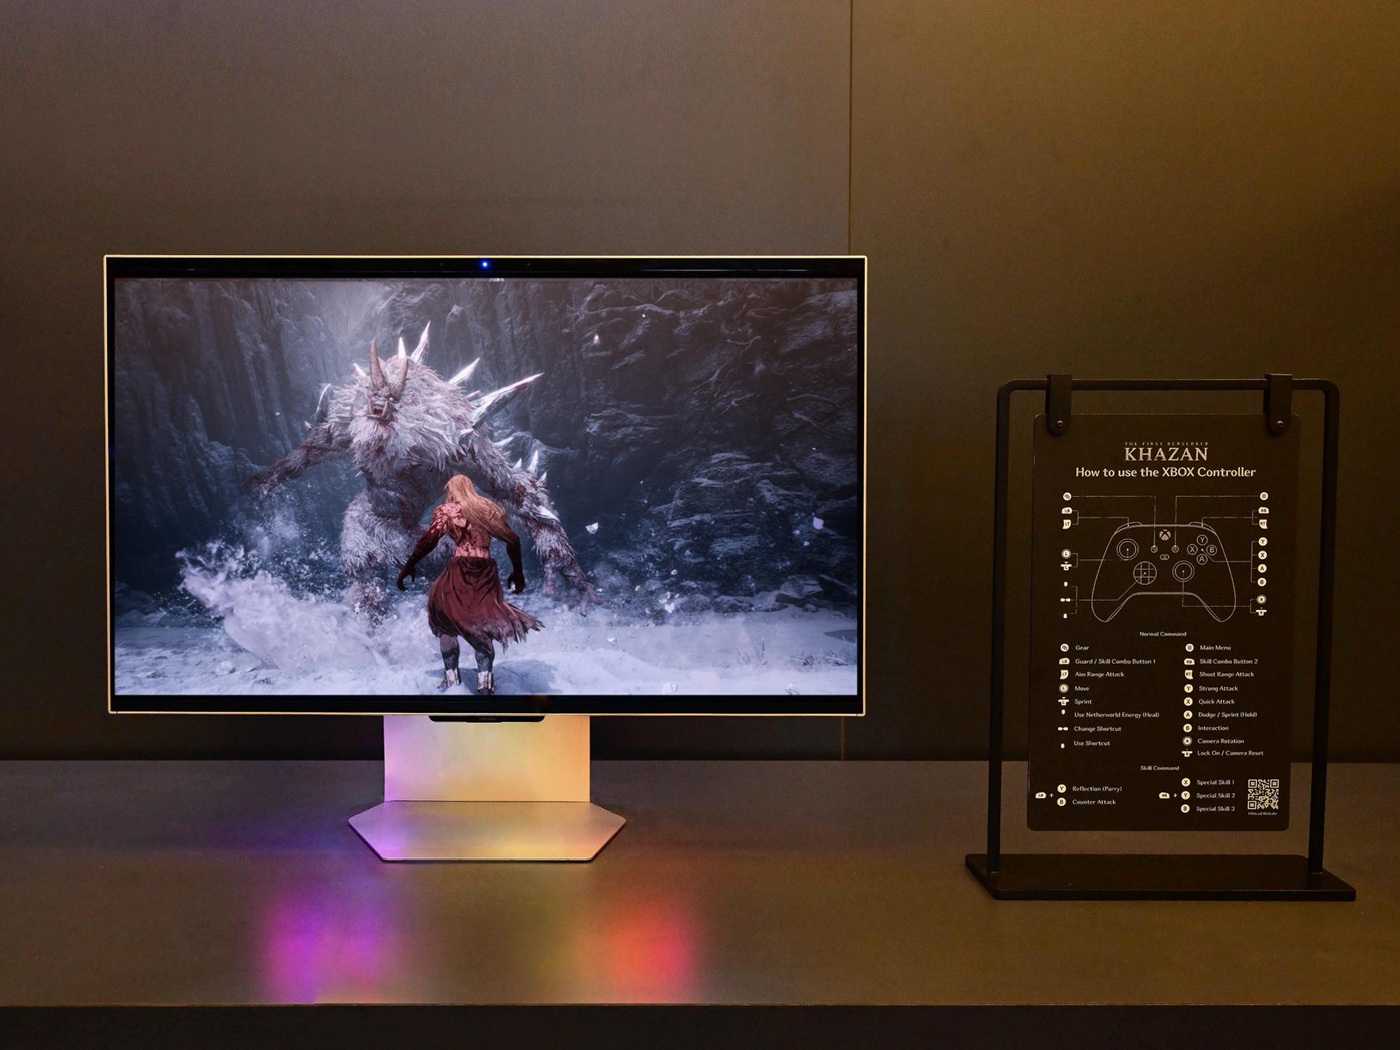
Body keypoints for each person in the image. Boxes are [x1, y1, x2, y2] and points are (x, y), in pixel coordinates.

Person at [397, 475, 543, 694]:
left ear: (453, 490)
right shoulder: (489, 508)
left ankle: (452, 682)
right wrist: (518, 572)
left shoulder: (448, 510)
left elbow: (430, 539)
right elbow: (513, 540)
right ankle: (485, 684)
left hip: (460, 570)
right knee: (482, 624)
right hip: (486, 572)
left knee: (444, 619)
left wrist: (410, 565)